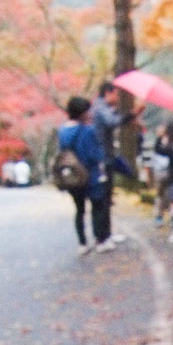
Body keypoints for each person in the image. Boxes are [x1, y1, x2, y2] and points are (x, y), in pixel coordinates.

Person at [57, 96, 114, 255]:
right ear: (81, 113)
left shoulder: (62, 130)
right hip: (90, 174)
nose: (90, 113)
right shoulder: (87, 130)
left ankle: (82, 243)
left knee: (79, 209)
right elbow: (94, 154)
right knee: (98, 206)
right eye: (88, 111)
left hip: (72, 175)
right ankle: (100, 240)